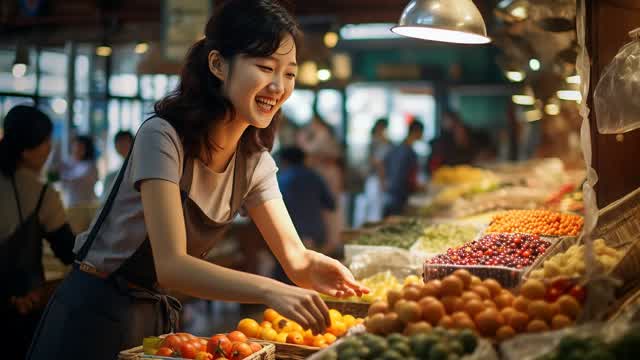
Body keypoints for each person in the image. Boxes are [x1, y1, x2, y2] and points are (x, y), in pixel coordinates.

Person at [28, 2, 367, 359]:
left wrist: (319, 269)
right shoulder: (162, 137)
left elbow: (296, 259)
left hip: (152, 318)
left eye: (290, 73)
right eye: (266, 67)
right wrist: (270, 290)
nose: (278, 87)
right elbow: (172, 266)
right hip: (92, 313)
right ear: (218, 64)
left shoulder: (254, 162)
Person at [0, 105, 75, 359]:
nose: (49, 148)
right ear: (27, 150)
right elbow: (69, 251)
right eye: (45, 142)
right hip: (22, 310)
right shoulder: (42, 194)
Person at [276, 146, 337, 254]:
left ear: (284, 161)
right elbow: (331, 204)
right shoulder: (315, 177)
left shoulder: (282, 180)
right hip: (317, 233)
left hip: (292, 233)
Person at [383, 120, 424, 216]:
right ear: (416, 132)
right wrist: (417, 187)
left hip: (391, 193)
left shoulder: (397, 148)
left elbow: (386, 165)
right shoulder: (409, 152)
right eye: (422, 133)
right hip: (401, 196)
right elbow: (407, 177)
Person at [51, 134, 99, 208]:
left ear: (87, 149)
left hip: (87, 206)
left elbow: (73, 180)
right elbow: (51, 173)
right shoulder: (69, 162)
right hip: (71, 205)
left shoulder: (90, 166)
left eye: (80, 147)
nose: (76, 149)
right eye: (75, 146)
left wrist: (57, 176)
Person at [363, 118, 391, 223]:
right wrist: (382, 180)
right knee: (375, 209)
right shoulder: (378, 142)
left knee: (373, 207)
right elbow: (378, 163)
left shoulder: (377, 141)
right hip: (376, 178)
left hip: (374, 178)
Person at [101, 130, 134, 203]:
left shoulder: (136, 167)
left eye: (124, 142)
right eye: (119, 143)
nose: (121, 145)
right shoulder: (113, 175)